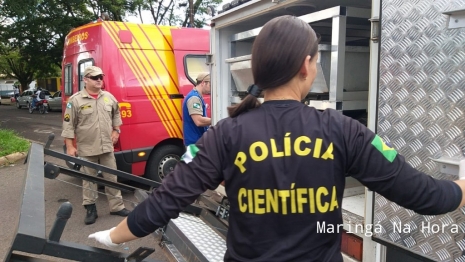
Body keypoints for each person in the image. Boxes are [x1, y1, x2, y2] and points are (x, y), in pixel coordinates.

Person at [88, 16, 465, 261]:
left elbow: (168, 197)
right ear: (306, 65)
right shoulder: (342, 130)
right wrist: (461, 185)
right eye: (316, 59)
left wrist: (113, 237)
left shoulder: (225, 134)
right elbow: (426, 196)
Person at [62, 66, 130, 225]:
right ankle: (91, 209)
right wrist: (70, 146)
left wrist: (116, 131)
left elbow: (116, 115)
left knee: (112, 177)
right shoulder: (75, 100)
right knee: (89, 180)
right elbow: (68, 125)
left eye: (100, 76)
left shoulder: (108, 97)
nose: (99, 79)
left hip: (107, 146)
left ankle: (117, 207)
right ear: (85, 80)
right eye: (94, 77)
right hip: (87, 148)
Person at [182, 72, 211, 147]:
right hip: (194, 143)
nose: (211, 88)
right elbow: (198, 121)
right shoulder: (194, 98)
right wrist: (217, 120)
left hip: (197, 141)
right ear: (203, 83)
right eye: (210, 85)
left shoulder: (197, 96)